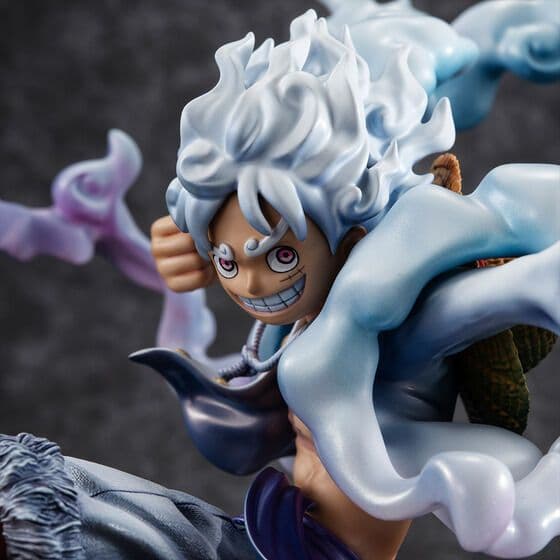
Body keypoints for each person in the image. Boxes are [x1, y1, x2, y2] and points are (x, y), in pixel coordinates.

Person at [147, 11, 560, 559]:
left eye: (281, 257)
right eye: (228, 262)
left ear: (351, 236)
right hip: (293, 513)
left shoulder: (392, 296)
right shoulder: (308, 322)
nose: (250, 283)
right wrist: (194, 245)